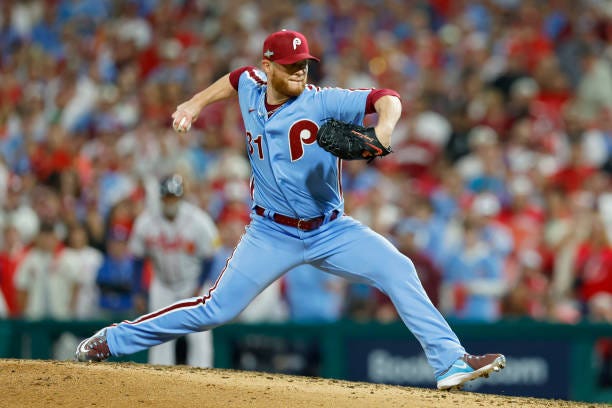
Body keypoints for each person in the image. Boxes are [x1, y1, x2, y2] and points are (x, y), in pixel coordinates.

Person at [75, 29, 505, 390]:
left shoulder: (321, 101)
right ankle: (113, 340)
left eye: (304, 64)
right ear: (268, 68)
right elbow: (233, 77)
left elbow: (386, 96)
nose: (300, 71)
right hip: (270, 233)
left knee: (399, 268)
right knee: (215, 309)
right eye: (290, 65)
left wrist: (385, 131)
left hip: (330, 230)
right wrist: (193, 104)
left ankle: (450, 362)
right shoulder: (249, 86)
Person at [127, 174, 219, 367]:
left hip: (193, 283)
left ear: (181, 198)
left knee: (200, 336)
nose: (170, 201)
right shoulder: (146, 221)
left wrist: (200, 285)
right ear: (160, 198)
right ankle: (160, 381)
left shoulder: (198, 221)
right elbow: (137, 258)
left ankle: (203, 380)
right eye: (167, 197)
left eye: (174, 197)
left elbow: (210, 257)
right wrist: (138, 291)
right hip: (162, 285)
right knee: (160, 335)